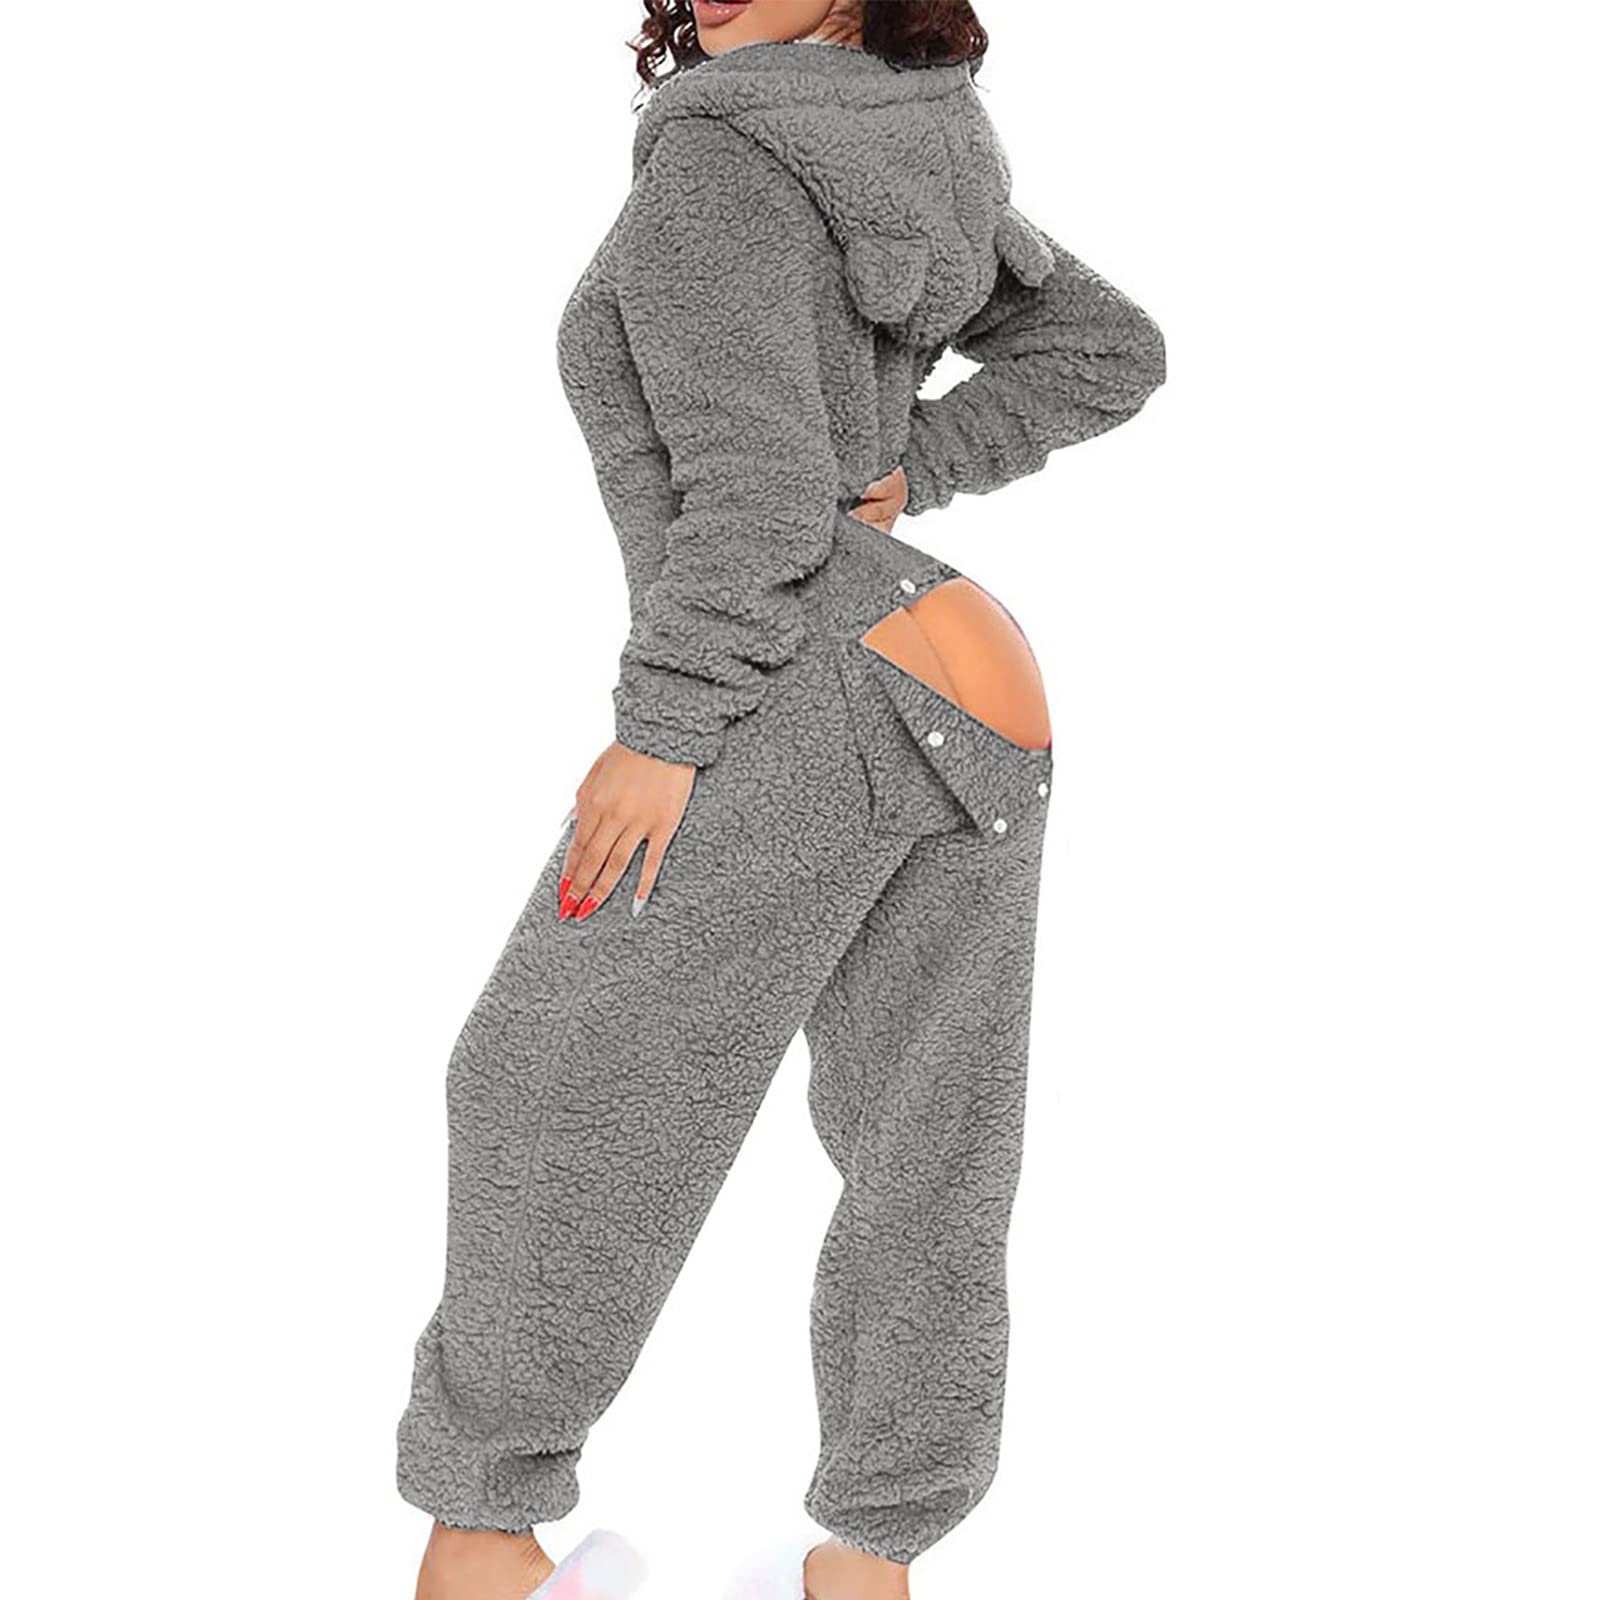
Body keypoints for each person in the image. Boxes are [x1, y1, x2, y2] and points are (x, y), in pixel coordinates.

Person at [398, 3, 1165, 1596]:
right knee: (927, 1140)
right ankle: (872, 1559)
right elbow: (1107, 348)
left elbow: (751, 500)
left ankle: (482, 1541)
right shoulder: (916, 135)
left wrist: (665, 731)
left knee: (544, 1085)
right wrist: (914, 470)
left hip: (803, 675)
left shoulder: (720, 166)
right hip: (970, 690)